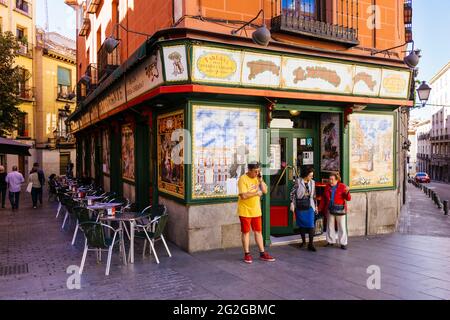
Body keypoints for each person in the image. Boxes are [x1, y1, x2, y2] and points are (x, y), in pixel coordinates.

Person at [237, 162, 275, 264]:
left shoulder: (258, 178)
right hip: (245, 210)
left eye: (259, 171)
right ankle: (247, 254)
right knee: (246, 232)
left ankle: (262, 253)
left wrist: (261, 181)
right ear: (249, 170)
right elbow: (243, 196)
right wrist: (255, 193)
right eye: (255, 171)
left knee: (258, 232)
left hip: (256, 210)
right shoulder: (242, 179)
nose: (257, 173)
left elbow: (265, 190)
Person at [290, 168, 318, 252]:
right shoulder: (298, 181)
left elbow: (314, 195)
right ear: (306, 175)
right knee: (301, 224)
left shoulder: (312, 182)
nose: (311, 177)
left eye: (312, 175)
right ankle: (303, 242)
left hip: (310, 205)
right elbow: (292, 193)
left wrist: (316, 206)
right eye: (310, 175)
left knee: (311, 224)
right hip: (300, 205)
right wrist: (292, 202)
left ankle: (311, 244)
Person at [324, 172, 352, 250]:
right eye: (329, 179)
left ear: (337, 180)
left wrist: (347, 192)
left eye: (332, 179)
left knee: (342, 226)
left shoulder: (342, 186)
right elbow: (324, 199)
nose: (330, 181)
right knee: (330, 225)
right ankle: (330, 241)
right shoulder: (327, 187)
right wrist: (319, 208)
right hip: (330, 208)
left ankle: (343, 243)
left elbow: (348, 198)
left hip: (340, 209)